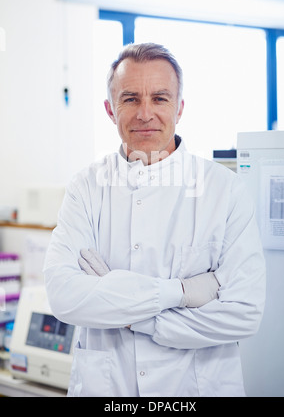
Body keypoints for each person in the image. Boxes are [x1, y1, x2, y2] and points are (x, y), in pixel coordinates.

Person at [44, 42, 265, 397]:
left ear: (179, 108)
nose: (145, 113)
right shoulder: (85, 187)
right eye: (130, 98)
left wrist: (130, 312)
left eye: (159, 98)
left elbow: (243, 313)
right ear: (109, 110)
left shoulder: (225, 191)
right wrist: (181, 292)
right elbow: (63, 295)